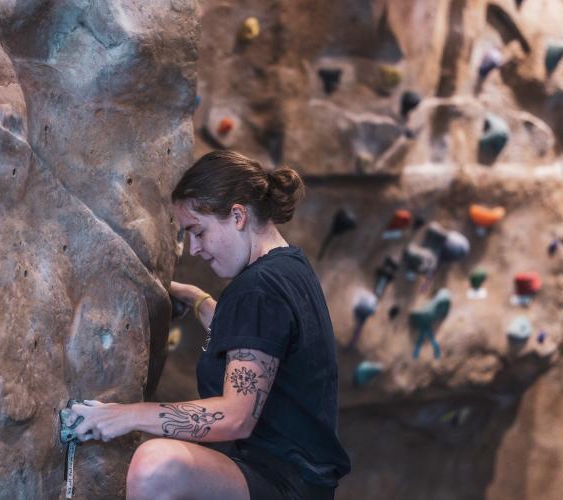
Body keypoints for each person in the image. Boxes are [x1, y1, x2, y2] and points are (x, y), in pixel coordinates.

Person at [64, 150, 350, 499]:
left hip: (282, 483)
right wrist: (200, 301)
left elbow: (235, 417)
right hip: (303, 483)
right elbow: (264, 342)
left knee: (157, 465)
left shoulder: (257, 290)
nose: (194, 248)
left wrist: (124, 416)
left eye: (197, 231)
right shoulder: (289, 268)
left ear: (238, 215)